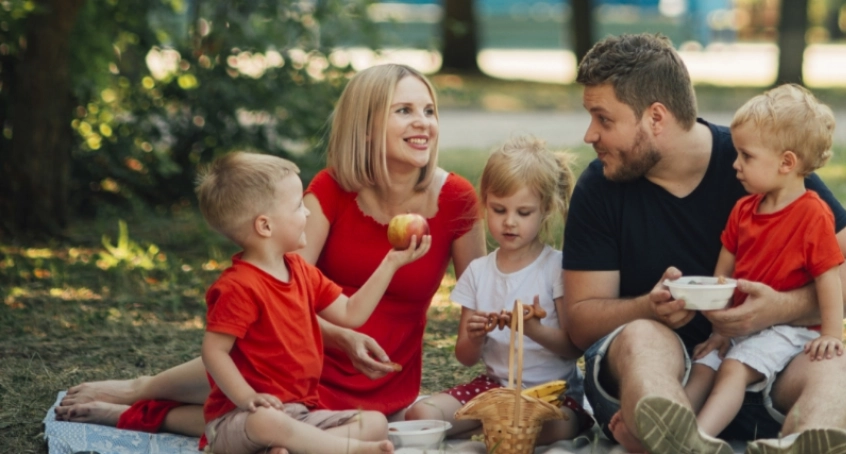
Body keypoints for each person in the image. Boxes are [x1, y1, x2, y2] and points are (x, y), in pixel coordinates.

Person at [54, 64, 487, 446]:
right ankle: (139, 390)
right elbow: (278, 290)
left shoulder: (458, 200)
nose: (424, 123)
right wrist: (340, 337)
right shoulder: (331, 189)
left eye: (429, 110)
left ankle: (146, 414)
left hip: (382, 374)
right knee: (253, 394)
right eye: (405, 110)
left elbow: (475, 317)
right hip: (295, 348)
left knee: (273, 421)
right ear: (367, 126)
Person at [561, 33, 846, 454]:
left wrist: (779, 307)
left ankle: (805, 440)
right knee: (644, 334)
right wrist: (649, 307)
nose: (590, 134)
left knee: (841, 363)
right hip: (656, 376)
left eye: (603, 119)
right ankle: (674, 435)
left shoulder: (760, 162)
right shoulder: (600, 187)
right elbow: (580, 321)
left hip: (758, 367)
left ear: (655, 118)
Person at [194, 152, 429, 453]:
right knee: (268, 422)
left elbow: (351, 312)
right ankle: (347, 450)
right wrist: (246, 397)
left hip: (299, 414)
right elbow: (213, 352)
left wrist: (391, 262)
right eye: (297, 206)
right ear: (265, 226)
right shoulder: (238, 287)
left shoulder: (301, 271)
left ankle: (290, 448)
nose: (307, 213)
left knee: (375, 423)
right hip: (240, 419)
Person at [684, 83, 846, 443]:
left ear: (787, 162)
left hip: (787, 329)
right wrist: (719, 330)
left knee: (732, 370)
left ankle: (697, 439)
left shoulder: (813, 214)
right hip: (743, 327)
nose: (735, 164)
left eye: (746, 156)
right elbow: (723, 273)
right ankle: (672, 424)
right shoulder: (744, 209)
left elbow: (829, 279)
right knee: (704, 365)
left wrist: (832, 334)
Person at [403, 135, 592, 445]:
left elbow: (574, 347)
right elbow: (464, 356)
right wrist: (475, 337)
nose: (510, 222)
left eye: (523, 212)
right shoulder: (478, 272)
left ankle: (496, 430)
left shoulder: (556, 267)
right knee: (421, 414)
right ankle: (494, 425)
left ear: (545, 209)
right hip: (495, 390)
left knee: (539, 429)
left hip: (552, 396)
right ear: (485, 203)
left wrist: (533, 330)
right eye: (499, 209)